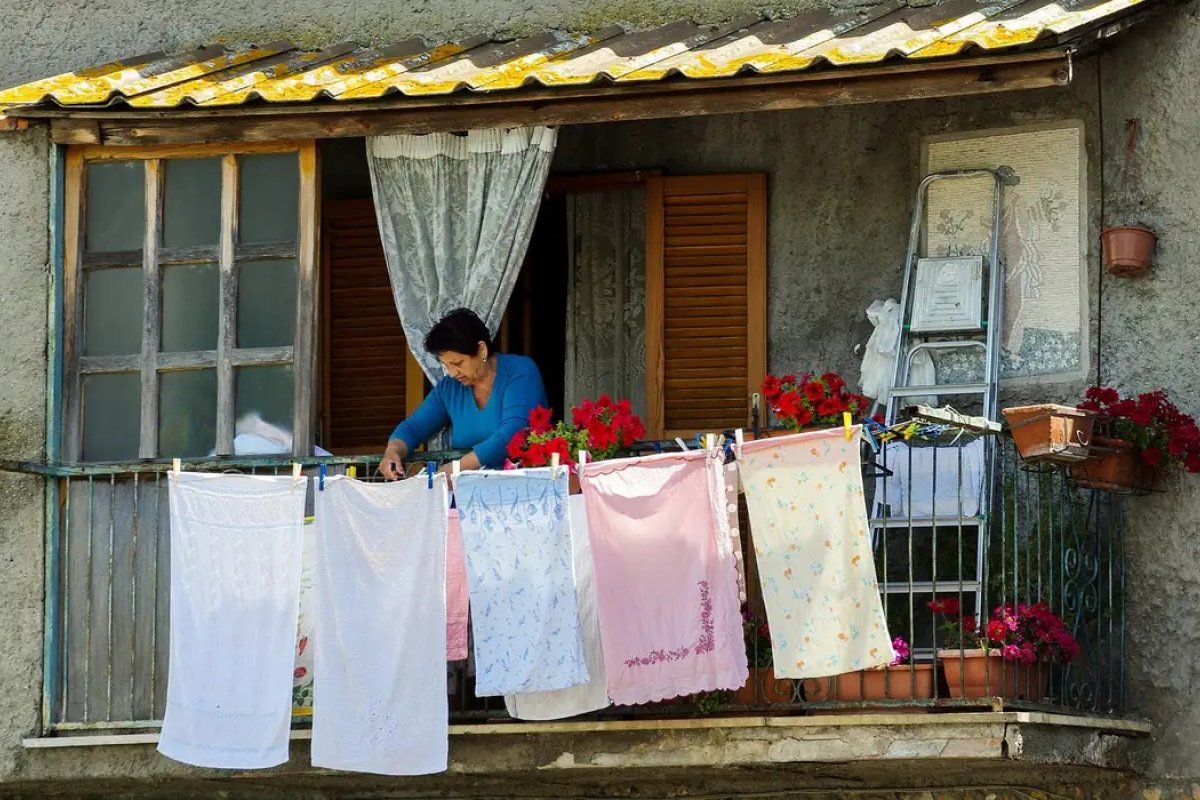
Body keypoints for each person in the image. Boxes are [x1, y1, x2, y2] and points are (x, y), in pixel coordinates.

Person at [380, 308, 547, 479]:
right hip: (468, 491)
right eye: (447, 366)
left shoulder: (520, 371)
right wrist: (393, 450)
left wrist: (459, 467)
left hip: (524, 486)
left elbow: (513, 432)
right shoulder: (450, 388)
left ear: (481, 350)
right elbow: (413, 428)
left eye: (458, 363)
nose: (452, 373)